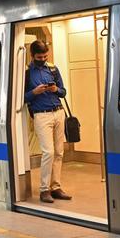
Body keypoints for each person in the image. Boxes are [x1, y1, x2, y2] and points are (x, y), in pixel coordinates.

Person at [24, 40, 72, 203]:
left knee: (59, 152)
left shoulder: (52, 69)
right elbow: (21, 98)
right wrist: (34, 92)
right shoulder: (27, 73)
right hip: (41, 115)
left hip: (58, 112)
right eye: (39, 56)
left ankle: (56, 187)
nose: (43, 58)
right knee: (48, 152)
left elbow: (63, 91)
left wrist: (55, 89)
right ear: (32, 56)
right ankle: (44, 189)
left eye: (45, 55)